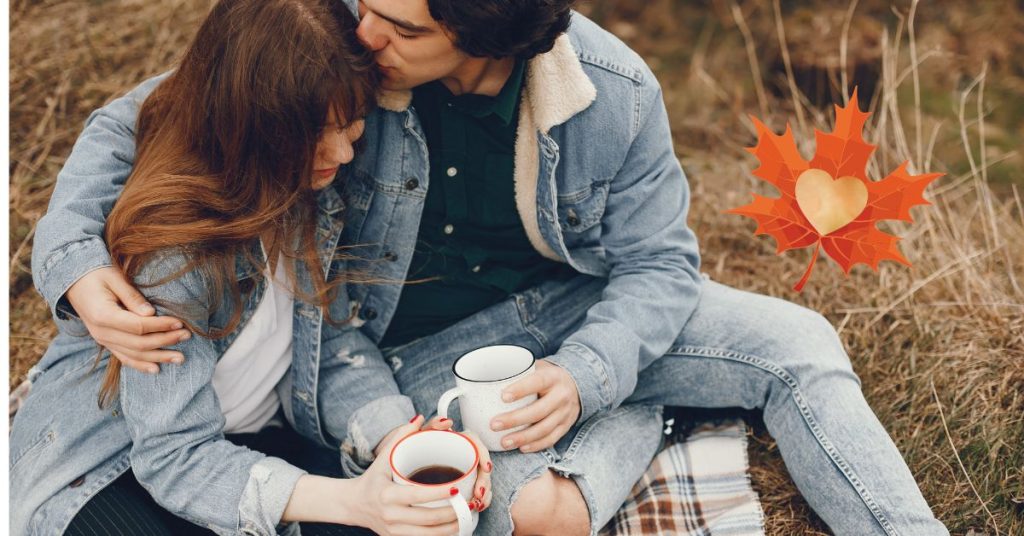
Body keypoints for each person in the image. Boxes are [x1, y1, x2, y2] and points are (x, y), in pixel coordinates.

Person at [28, 1, 949, 535]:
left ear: (486, 38)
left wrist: (588, 371)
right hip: (411, 354)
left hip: (582, 311)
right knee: (535, 513)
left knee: (800, 342)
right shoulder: (354, 28)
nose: (370, 35)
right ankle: (647, 410)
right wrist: (73, 261)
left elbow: (661, 266)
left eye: (401, 28)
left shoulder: (611, 91)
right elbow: (165, 111)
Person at [11, 1, 494, 534]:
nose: (342, 152)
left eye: (352, 123)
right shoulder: (176, 253)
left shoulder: (310, 198)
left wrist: (394, 436)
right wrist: (355, 502)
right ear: (250, 122)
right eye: (314, 131)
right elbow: (175, 458)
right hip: (115, 465)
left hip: (252, 440)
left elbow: (326, 346)